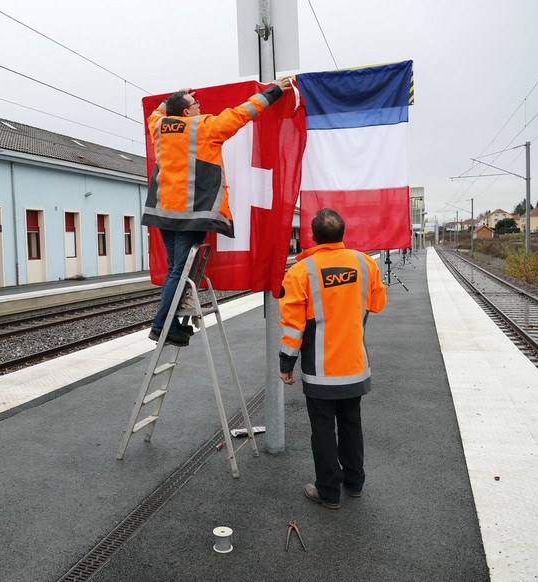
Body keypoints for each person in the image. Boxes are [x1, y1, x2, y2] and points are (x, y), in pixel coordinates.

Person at [143, 78, 293, 346]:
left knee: (175, 271)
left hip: (163, 213)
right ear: (187, 112)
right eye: (194, 103)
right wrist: (274, 92)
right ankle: (160, 325)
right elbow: (242, 112)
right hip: (191, 214)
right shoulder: (204, 127)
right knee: (179, 272)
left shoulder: (158, 126)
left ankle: (173, 324)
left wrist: (176, 96)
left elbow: (157, 112)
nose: (199, 105)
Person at [278, 208, 387, 509]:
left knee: (323, 430)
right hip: (354, 367)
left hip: (320, 372)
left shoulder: (301, 272)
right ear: (342, 234)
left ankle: (328, 492)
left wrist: (286, 364)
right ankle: (354, 484)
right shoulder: (364, 264)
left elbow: (292, 327)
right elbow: (377, 304)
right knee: (352, 423)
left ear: (312, 237)